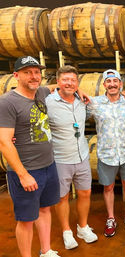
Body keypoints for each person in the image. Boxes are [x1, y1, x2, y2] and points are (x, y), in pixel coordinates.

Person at [0, 56, 60, 257]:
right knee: (25, 219)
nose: (34, 76)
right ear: (16, 75)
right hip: (26, 170)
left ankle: (46, 251)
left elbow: (54, 86)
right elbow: (4, 142)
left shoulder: (40, 92)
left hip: (48, 166)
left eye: (36, 72)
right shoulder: (7, 102)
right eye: (28, 72)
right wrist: (23, 174)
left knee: (45, 210)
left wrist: (80, 90)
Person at [45, 65, 98, 250]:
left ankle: (82, 227)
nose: (69, 83)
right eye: (65, 79)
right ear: (58, 81)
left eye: (73, 80)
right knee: (62, 198)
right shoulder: (47, 101)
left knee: (85, 193)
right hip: (60, 159)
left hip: (82, 155)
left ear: (77, 83)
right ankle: (67, 231)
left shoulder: (82, 100)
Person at [87, 69, 125, 237]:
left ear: (120, 84)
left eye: (115, 81)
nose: (112, 84)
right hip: (106, 154)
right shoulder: (95, 103)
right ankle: (111, 218)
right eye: (109, 82)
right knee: (108, 187)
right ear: (104, 85)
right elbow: (77, 115)